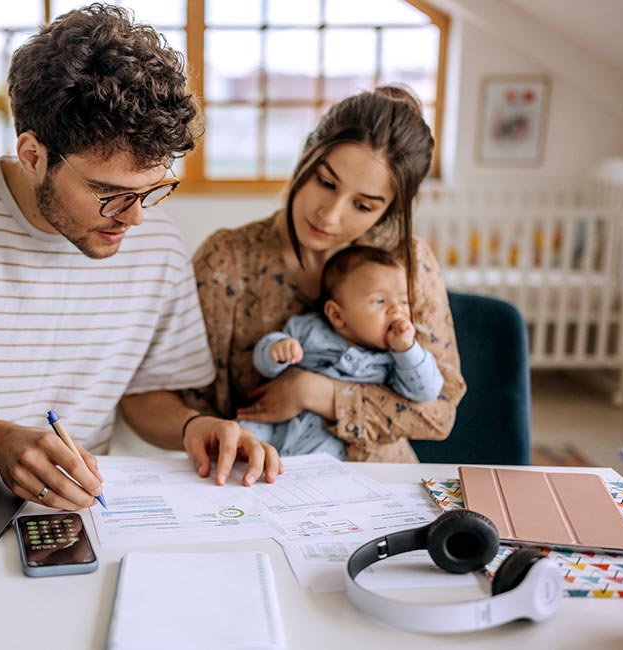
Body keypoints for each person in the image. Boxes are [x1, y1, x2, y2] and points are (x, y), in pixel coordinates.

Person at [0, 3, 281, 512]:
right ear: (32, 155)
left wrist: (193, 426)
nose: (135, 218)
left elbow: (145, 394)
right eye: (109, 193)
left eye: (151, 189)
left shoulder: (157, 243)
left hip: (78, 512)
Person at [182, 86, 467, 462]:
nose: (329, 215)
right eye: (326, 183)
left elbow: (439, 412)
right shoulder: (226, 260)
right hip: (255, 475)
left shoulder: (408, 262)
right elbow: (183, 402)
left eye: (362, 206)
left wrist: (315, 392)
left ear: (389, 210)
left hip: (378, 482)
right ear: (306, 155)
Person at [241, 245, 444, 459]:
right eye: (379, 301)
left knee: (324, 461)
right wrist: (276, 350)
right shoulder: (309, 329)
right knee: (242, 435)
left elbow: (426, 391)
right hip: (277, 424)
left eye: (404, 301)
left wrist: (407, 350)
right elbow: (264, 366)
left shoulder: (395, 359)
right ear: (337, 315)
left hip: (328, 436)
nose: (397, 310)